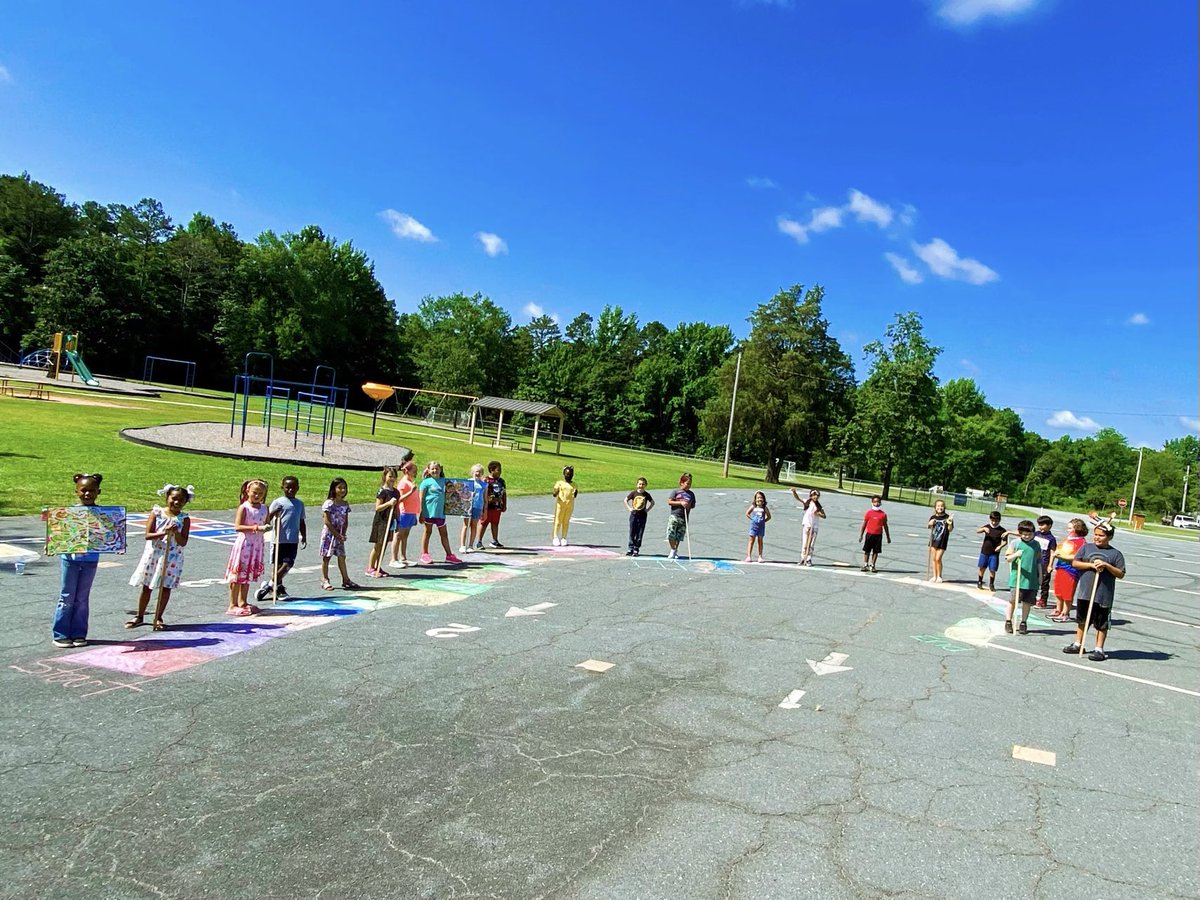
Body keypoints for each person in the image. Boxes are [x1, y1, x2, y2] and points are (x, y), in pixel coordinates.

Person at [127, 483, 192, 631]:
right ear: (167, 497)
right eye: (174, 498)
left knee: (165, 587)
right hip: (154, 554)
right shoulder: (157, 513)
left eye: (181, 500)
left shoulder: (184, 519)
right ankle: (140, 615)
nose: (177, 502)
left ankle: (158, 617)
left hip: (172, 557)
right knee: (147, 586)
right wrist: (164, 532)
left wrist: (175, 532)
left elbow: (183, 542)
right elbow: (148, 535)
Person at [51, 473, 105, 648]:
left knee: (82, 597)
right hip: (70, 559)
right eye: (83, 490)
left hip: (90, 559)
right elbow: (58, 534)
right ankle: (60, 634)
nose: (88, 494)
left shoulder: (104, 514)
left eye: (92, 490)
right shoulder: (68, 513)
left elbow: (109, 535)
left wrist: (116, 544)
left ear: (98, 492)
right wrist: (52, 544)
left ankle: (79, 633)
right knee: (67, 596)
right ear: (77, 492)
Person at [1063, 522, 1126, 661]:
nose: (1097, 537)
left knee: (1101, 624)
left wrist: (1106, 565)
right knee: (1082, 620)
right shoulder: (1086, 548)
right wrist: (1091, 565)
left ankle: (1099, 649)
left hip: (1103, 595)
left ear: (1109, 537)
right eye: (1096, 534)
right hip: (1085, 592)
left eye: (1101, 535)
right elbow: (1075, 563)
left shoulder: (1115, 554)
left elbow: (1121, 573)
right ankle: (1078, 644)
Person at [224, 479, 269, 616]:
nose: (257, 496)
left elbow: (266, 522)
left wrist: (268, 525)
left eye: (260, 494)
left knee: (247, 575)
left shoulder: (264, 508)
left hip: (256, 545)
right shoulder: (244, 507)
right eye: (254, 492)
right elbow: (238, 527)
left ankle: (243, 601)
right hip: (245, 545)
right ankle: (232, 604)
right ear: (248, 491)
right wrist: (256, 528)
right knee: (238, 575)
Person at [259, 475, 306, 601]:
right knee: (278, 564)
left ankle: (270, 585)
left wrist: (304, 536)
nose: (290, 490)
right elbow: (267, 519)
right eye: (287, 487)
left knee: (288, 563)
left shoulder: (299, 504)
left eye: (293, 487)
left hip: (292, 539)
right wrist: (274, 512)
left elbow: (301, 521)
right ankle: (278, 587)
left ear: (298, 488)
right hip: (279, 539)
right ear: (282, 488)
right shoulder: (278, 502)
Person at [319, 478, 361, 590]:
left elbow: (345, 521)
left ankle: (346, 579)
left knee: (342, 556)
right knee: (326, 557)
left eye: (344, 488)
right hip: (329, 534)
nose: (342, 490)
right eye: (339, 488)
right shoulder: (329, 503)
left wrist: (343, 534)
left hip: (340, 534)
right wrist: (336, 534)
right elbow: (327, 521)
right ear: (334, 489)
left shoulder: (345, 504)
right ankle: (325, 579)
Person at [419, 460, 462, 565]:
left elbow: (455, 491)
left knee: (444, 533)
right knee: (427, 532)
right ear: (428, 470)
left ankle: (449, 555)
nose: (435, 470)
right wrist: (421, 512)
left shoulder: (445, 481)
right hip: (428, 512)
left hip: (440, 513)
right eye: (432, 469)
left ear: (440, 469)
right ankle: (424, 554)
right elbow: (421, 498)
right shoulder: (425, 482)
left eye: (437, 468)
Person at [1003, 520, 1040, 635]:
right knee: (1013, 601)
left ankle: (1023, 622)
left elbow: (1038, 561)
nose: (1027, 536)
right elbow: (1008, 558)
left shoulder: (1036, 544)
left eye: (1029, 534)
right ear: (1020, 533)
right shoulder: (1015, 543)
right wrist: (1016, 554)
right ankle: (1008, 621)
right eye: (1024, 534)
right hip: (1018, 578)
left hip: (1031, 579)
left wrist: (1040, 576)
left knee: (1027, 602)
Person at [1050, 518, 1088, 622]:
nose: (1068, 530)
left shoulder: (1081, 542)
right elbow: (1059, 549)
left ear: (1078, 529)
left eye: (1070, 528)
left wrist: (1062, 556)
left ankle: (1065, 612)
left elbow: (1077, 557)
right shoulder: (1068, 539)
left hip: (1070, 570)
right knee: (1058, 590)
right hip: (1060, 567)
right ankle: (1058, 609)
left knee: (1067, 592)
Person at [366, 467, 400, 577]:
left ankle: (378, 565)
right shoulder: (382, 491)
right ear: (385, 477)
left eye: (394, 476)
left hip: (390, 521)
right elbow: (378, 508)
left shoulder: (396, 492)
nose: (392, 478)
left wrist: (397, 521)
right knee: (378, 544)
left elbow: (397, 508)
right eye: (390, 476)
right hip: (381, 521)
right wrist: (389, 503)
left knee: (384, 544)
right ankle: (370, 567)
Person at [390, 460, 420, 567]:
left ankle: (403, 557)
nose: (415, 473)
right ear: (407, 471)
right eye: (414, 471)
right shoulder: (403, 483)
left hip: (411, 512)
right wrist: (411, 492)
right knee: (398, 535)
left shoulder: (410, 482)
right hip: (404, 512)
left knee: (405, 535)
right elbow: (399, 499)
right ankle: (393, 559)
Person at [791, 488, 826, 566]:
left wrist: (818, 513)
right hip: (807, 525)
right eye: (814, 495)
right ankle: (803, 557)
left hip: (814, 526)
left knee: (811, 544)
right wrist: (794, 492)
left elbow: (824, 516)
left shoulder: (819, 506)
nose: (815, 497)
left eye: (817, 496)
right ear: (811, 496)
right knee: (805, 543)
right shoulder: (807, 502)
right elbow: (798, 498)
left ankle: (809, 558)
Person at [665, 473, 696, 560]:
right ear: (682, 483)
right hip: (675, 515)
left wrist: (688, 505)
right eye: (687, 483)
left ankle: (675, 551)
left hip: (684, 517)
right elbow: (669, 502)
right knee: (671, 533)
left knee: (679, 536)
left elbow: (693, 505)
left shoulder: (691, 494)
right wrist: (680, 502)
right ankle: (673, 550)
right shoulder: (676, 492)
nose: (689, 485)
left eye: (690, 484)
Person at [975, 511, 1007, 591]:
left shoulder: (1002, 530)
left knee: (992, 569)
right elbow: (977, 530)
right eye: (992, 520)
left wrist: (1000, 546)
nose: (994, 522)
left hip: (994, 553)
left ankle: (991, 584)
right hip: (984, 552)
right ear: (990, 519)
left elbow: (1005, 541)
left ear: (999, 520)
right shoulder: (987, 527)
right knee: (982, 567)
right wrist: (983, 529)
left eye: (996, 521)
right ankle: (979, 581)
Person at [459, 464, 488, 553]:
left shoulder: (484, 485)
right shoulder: (468, 482)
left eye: (480, 472)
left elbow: (485, 498)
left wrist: (485, 510)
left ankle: (471, 545)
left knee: (474, 525)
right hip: (467, 506)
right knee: (465, 525)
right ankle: (462, 545)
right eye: (476, 471)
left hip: (478, 506)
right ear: (473, 472)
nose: (478, 473)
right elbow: (462, 494)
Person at [858, 495, 890, 573]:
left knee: (876, 551)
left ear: (880, 503)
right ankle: (865, 564)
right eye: (875, 502)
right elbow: (864, 524)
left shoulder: (883, 514)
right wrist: (861, 535)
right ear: (872, 503)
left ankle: (873, 565)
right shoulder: (869, 513)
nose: (877, 503)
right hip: (869, 534)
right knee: (867, 550)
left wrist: (888, 537)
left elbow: (885, 526)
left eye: (878, 502)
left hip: (878, 535)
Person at [1031, 515, 1057, 609]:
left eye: (1042, 525)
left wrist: (1050, 565)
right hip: (1034, 561)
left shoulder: (1051, 539)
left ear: (1049, 525)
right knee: (1033, 580)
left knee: (1044, 583)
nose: (1040, 527)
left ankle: (1043, 600)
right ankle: (1031, 597)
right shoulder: (1036, 534)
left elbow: (1052, 552)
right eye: (1039, 525)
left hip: (1044, 563)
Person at [624, 477, 654, 556]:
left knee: (639, 533)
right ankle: (630, 548)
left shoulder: (646, 494)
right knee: (632, 532)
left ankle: (636, 548)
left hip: (642, 516)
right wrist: (629, 508)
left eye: (643, 484)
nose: (641, 486)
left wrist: (647, 509)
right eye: (640, 484)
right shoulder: (633, 493)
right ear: (637, 484)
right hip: (634, 515)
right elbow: (625, 500)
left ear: (645, 485)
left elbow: (652, 502)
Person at [482, 460, 508, 548]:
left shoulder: (501, 481)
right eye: (498, 470)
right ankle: (479, 541)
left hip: (497, 506)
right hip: (488, 506)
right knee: (484, 523)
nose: (500, 472)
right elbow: (482, 492)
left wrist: (504, 504)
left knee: (495, 523)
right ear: (492, 470)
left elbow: (504, 493)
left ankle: (495, 540)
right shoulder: (486, 480)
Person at [551, 465, 579, 547]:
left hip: (569, 505)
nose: (569, 476)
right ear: (564, 474)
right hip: (560, 505)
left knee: (566, 522)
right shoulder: (560, 483)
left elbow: (574, 495)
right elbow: (554, 494)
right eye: (567, 474)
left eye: (570, 474)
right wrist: (556, 491)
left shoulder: (574, 484)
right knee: (558, 521)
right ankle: (555, 537)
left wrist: (576, 492)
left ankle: (564, 537)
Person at [926, 499, 953, 582]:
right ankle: (934, 576)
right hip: (934, 540)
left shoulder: (947, 517)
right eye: (938, 506)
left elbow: (950, 529)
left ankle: (939, 576)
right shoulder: (933, 517)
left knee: (938, 558)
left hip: (942, 540)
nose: (940, 507)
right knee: (934, 559)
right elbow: (929, 526)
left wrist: (950, 523)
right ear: (935, 507)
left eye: (942, 506)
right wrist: (930, 523)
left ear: (944, 507)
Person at [744, 490, 771, 563]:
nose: (759, 499)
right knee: (751, 540)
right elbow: (747, 513)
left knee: (760, 541)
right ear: (755, 499)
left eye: (761, 498)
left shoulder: (764, 508)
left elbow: (769, 516)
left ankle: (760, 556)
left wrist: (763, 521)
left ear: (764, 499)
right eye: (758, 498)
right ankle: (748, 556)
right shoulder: (753, 506)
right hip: (753, 527)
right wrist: (752, 519)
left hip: (761, 527)